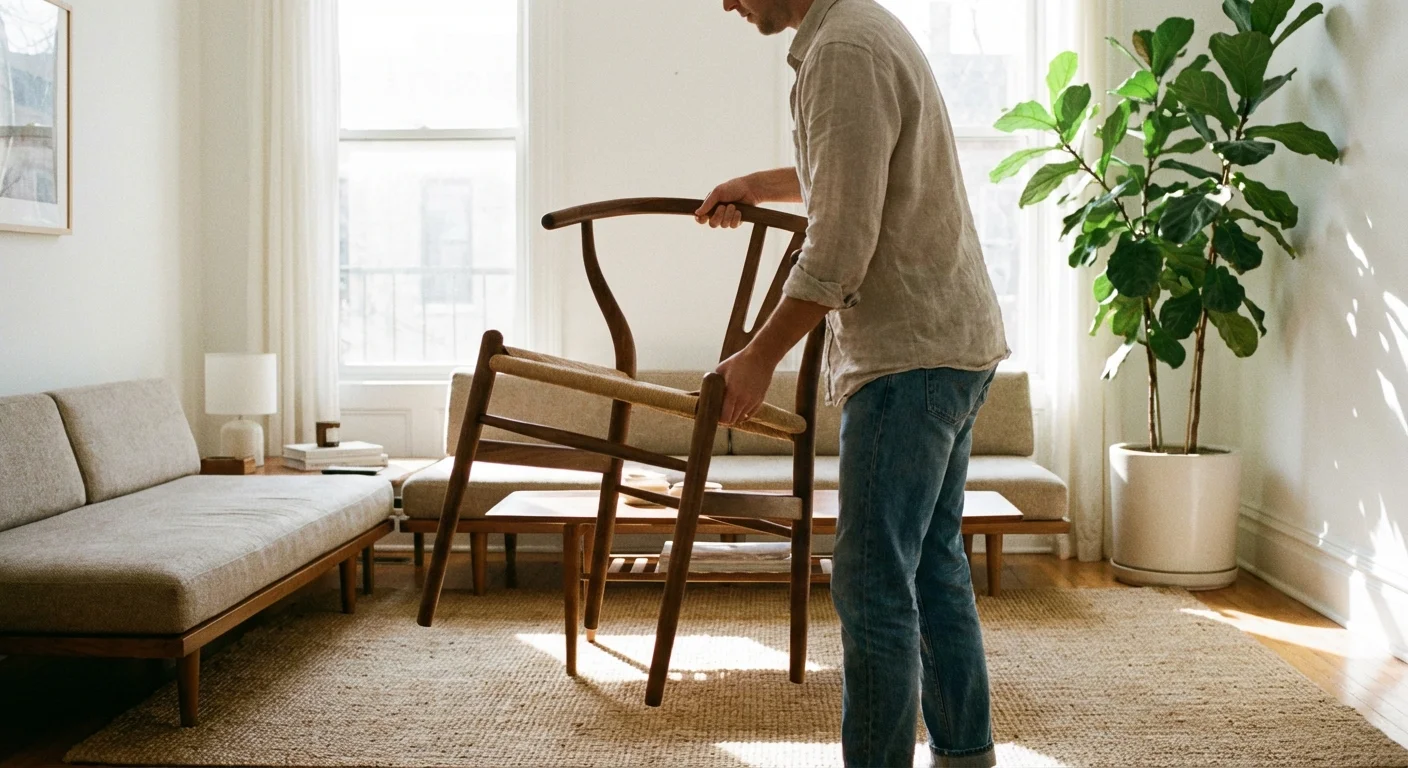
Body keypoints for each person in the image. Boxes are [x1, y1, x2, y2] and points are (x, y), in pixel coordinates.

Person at [698, 0, 1010, 765]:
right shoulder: (863, 29)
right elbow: (855, 172)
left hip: (910, 359)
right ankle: (966, 755)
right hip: (953, 345)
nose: (725, 2)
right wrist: (758, 183)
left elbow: (840, 242)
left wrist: (757, 354)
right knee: (933, 565)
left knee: (870, 582)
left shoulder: (842, 52)